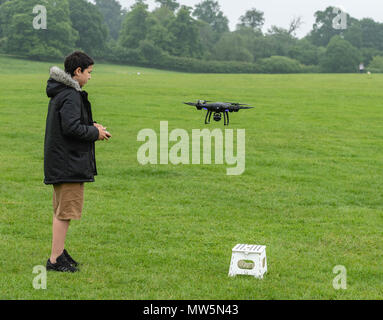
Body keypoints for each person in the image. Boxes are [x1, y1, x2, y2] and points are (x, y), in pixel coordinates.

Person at [44, 51, 111, 272]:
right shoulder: (70, 95)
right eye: (89, 72)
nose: (90, 77)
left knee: (61, 211)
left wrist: (93, 126)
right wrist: (95, 133)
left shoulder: (62, 92)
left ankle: (59, 252)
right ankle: (55, 260)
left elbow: (72, 123)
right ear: (77, 71)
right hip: (68, 163)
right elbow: (71, 128)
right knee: (65, 213)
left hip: (62, 162)